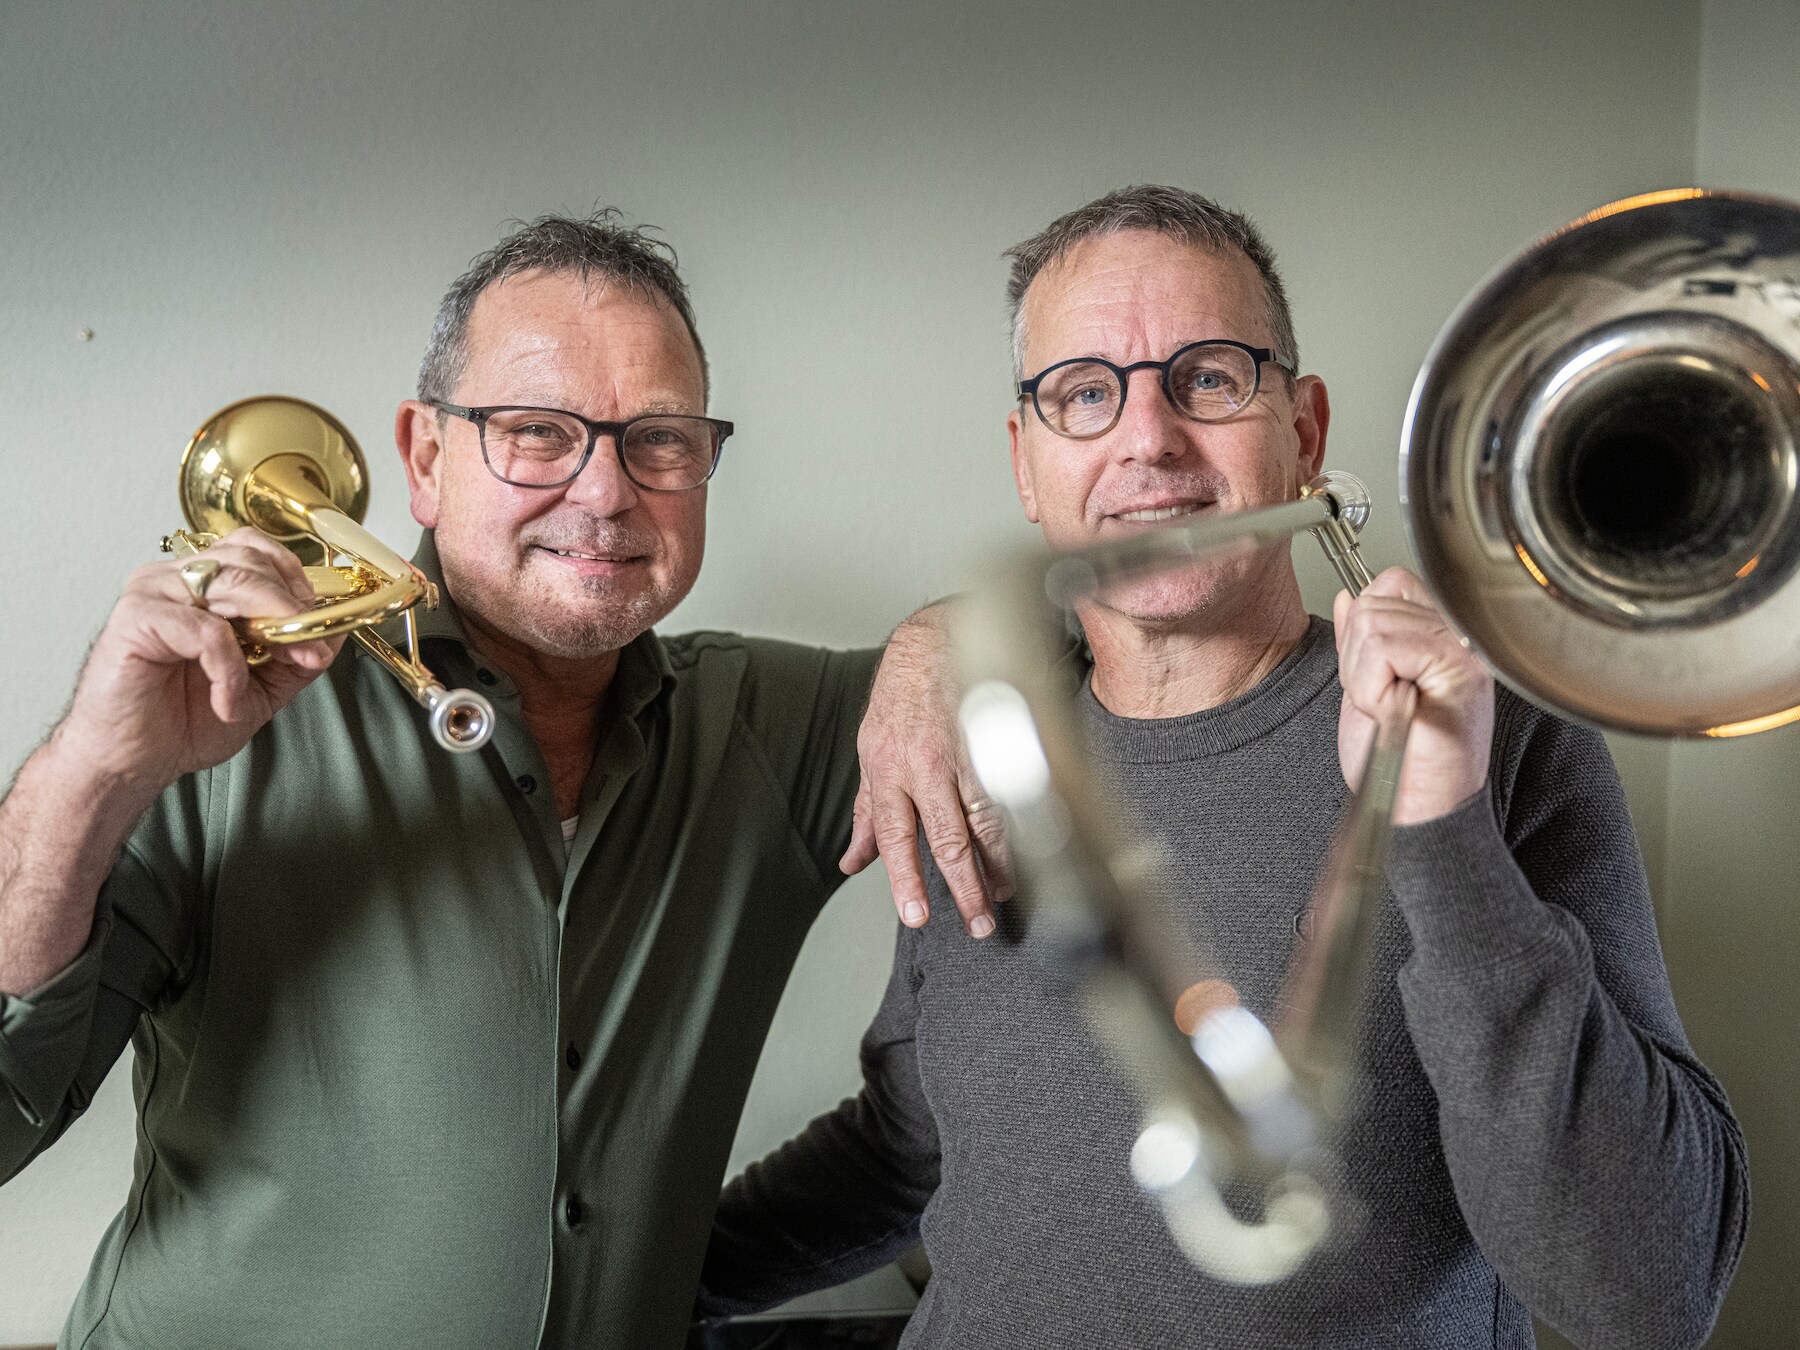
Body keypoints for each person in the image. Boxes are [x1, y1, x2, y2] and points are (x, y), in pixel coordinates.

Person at [699, 185, 1750, 1350]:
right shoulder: (972, 736)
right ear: (1026, 464)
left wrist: (1444, 828)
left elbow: (1652, 1292)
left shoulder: (1504, 741)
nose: (1148, 439)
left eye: (1207, 377)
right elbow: (914, 1139)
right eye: (1084, 395)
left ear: (1302, 433)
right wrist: (634, 1280)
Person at [0, 211, 995, 1350]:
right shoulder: (223, 712)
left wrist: (933, 645)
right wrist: (92, 765)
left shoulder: (773, 726)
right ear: (425, 459)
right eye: (535, 432)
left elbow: (1096, 628)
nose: (607, 491)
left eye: (659, 440)